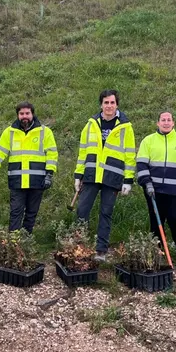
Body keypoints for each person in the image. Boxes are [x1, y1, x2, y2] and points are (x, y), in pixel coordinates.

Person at [75, 90, 136, 261]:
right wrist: (78, 175)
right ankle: (80, 246)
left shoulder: (125, 127)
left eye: (112, 103)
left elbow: (130, 154)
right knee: (82, 210)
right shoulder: (90, 124)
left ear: (117, 104)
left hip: (112, 176)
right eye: (106, 102)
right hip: (92, 175)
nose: (109, 106)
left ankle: (101, 250)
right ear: (101, 104)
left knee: (106, 212)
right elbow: (83, 152)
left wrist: (128, 180)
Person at [136, 111, 176, 271]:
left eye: (168, 120)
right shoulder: (148, 141)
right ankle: (156, 254)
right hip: (154, 191)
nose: (166, 122)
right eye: (163, 120)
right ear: (157, 123)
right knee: (156, 222)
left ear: (173, 123)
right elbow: (141, 165)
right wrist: (147, 184)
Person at [0, 101, 58, 233]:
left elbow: (52, 154)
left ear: (32, 114)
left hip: (38, 180)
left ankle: (26, 240)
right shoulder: (9, 132)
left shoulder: (44, 132)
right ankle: (13, 241)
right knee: (15, 212)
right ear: (17, 115)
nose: (24, 116)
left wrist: (49, 174)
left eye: (27, 113)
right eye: (21, 114)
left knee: (31, 213)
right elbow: (0, 152)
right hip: (17, 180)